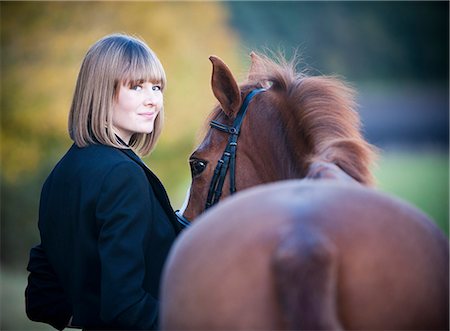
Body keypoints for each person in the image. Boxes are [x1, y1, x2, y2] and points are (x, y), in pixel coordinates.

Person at [25, 33, 185, 330]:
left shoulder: (61, 173)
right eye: (136, 87)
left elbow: (42, 299)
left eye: (156, 87)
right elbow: (125, 305)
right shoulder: (123, 176)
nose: (153, 100)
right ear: (101, 90)